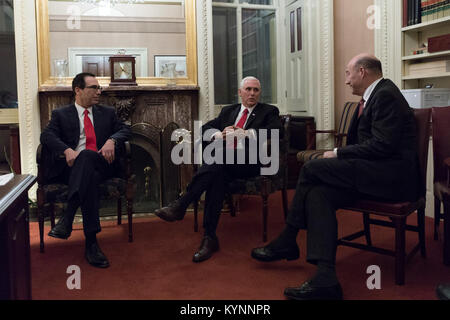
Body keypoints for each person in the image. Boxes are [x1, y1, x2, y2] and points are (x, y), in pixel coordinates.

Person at [251, 54, 421, 300]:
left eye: (348, 73)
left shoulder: (386, 95)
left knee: (311, 168)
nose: (346, 81)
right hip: (372, 171)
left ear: (362, 72)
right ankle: (326, 278)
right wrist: (341, 157)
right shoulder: (374, 96)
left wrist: (337, 153)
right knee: (319, 194)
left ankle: (289, 238)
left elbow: (383, 145)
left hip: (392, 178)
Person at [153, 76, 282, 262]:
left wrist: (246, 133)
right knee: (217, 174)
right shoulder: (229, 111)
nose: (252, 93)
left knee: (217, 159)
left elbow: (277, 131)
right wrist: (217, 134)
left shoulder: (268, 111)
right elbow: (206, 128)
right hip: (225, 162)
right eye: (248, 89)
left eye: (256, 90)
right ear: (240, 92)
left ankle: (183, 203)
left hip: (251, 162)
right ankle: (209, 237)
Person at [40, 72, 131, 268]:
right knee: (88, 171)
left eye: (99, 88)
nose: (99, 92)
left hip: (102, 164)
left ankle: (68, 217)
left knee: (89, 156)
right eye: (94, 88)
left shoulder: (107, 113)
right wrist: (66, 150)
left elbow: (126, 129)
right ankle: (91, 243)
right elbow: (47, 136)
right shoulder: (61, 114)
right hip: (72, 169)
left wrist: (111, 140)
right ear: (78, 90)